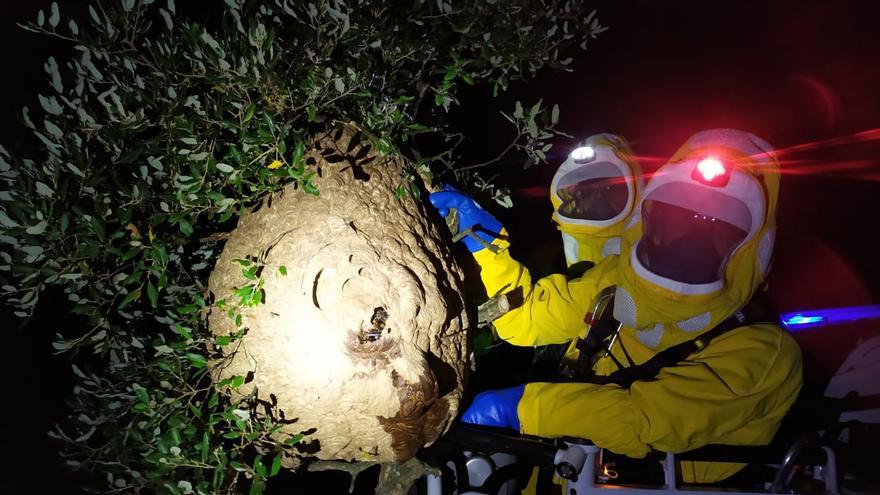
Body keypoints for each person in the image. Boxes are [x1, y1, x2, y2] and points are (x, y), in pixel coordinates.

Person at [431, 129, 803, 484]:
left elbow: (643, 418)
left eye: (712, 225)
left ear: (753, 247)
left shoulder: (766, 352)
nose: (689, 235)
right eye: (675, 216)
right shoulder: (616, 282)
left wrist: (521, 409)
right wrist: (486, 244)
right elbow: (526, 320)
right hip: (568, 476)